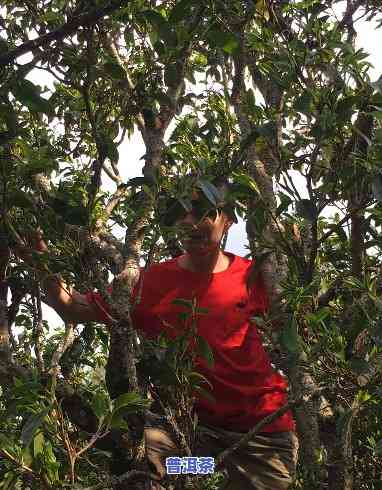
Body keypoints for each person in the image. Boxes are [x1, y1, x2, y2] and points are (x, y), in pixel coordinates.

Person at [15, 187, 298, 490]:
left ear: (227, 219)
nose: (191, 222)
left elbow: (294, 334)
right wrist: (35, 253)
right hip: (192, 446)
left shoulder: (253, 277)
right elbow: (74, 307)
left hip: (259, 440)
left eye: (204, 212)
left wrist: (292, 248)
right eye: (181, 212)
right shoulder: (151, 282)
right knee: (139, 460)